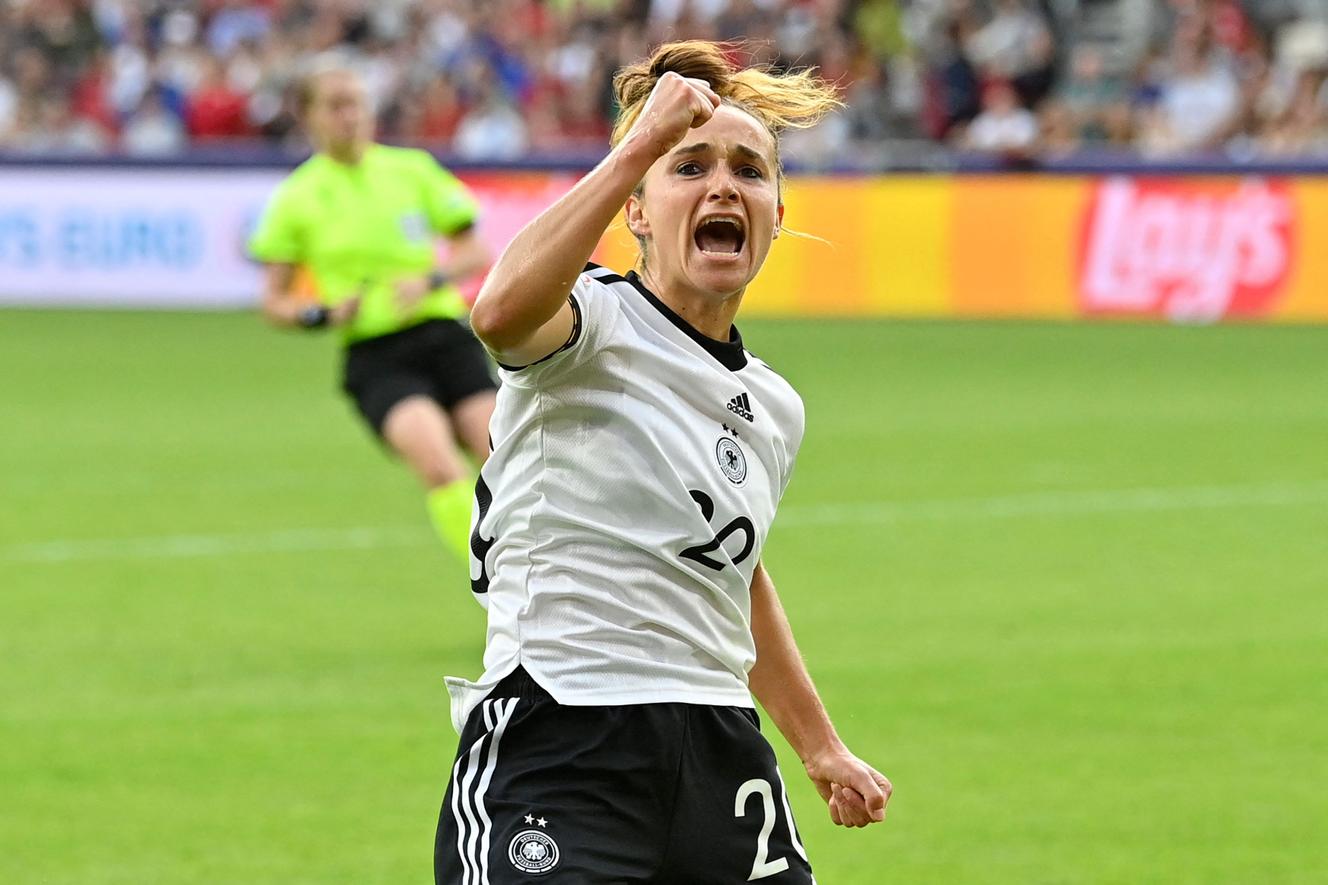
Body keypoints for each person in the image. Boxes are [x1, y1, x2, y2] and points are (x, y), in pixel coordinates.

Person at [435, 41, 891, 883]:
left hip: (721, 752)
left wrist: (819, 745)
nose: (724, 185)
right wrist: (637, 146)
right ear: (638, 210)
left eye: (750, 172)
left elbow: (737, 571)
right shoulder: (591, 323)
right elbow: (497, 313)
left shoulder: (773, 405)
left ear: (777, 214)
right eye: (691, 167)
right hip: (566, 730)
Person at [248, 59, 496, 568]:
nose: (351, 116)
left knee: (503, 464)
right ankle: (496, 586)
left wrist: (430, 279)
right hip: (375, 353)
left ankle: (546, 581)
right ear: (309, 117)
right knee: (439, 468)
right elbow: (274, 302)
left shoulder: (411, 170)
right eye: (336, 106)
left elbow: (475, 252)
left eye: (357, 103)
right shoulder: (297, 197)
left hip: (443, 335)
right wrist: (320, 313)